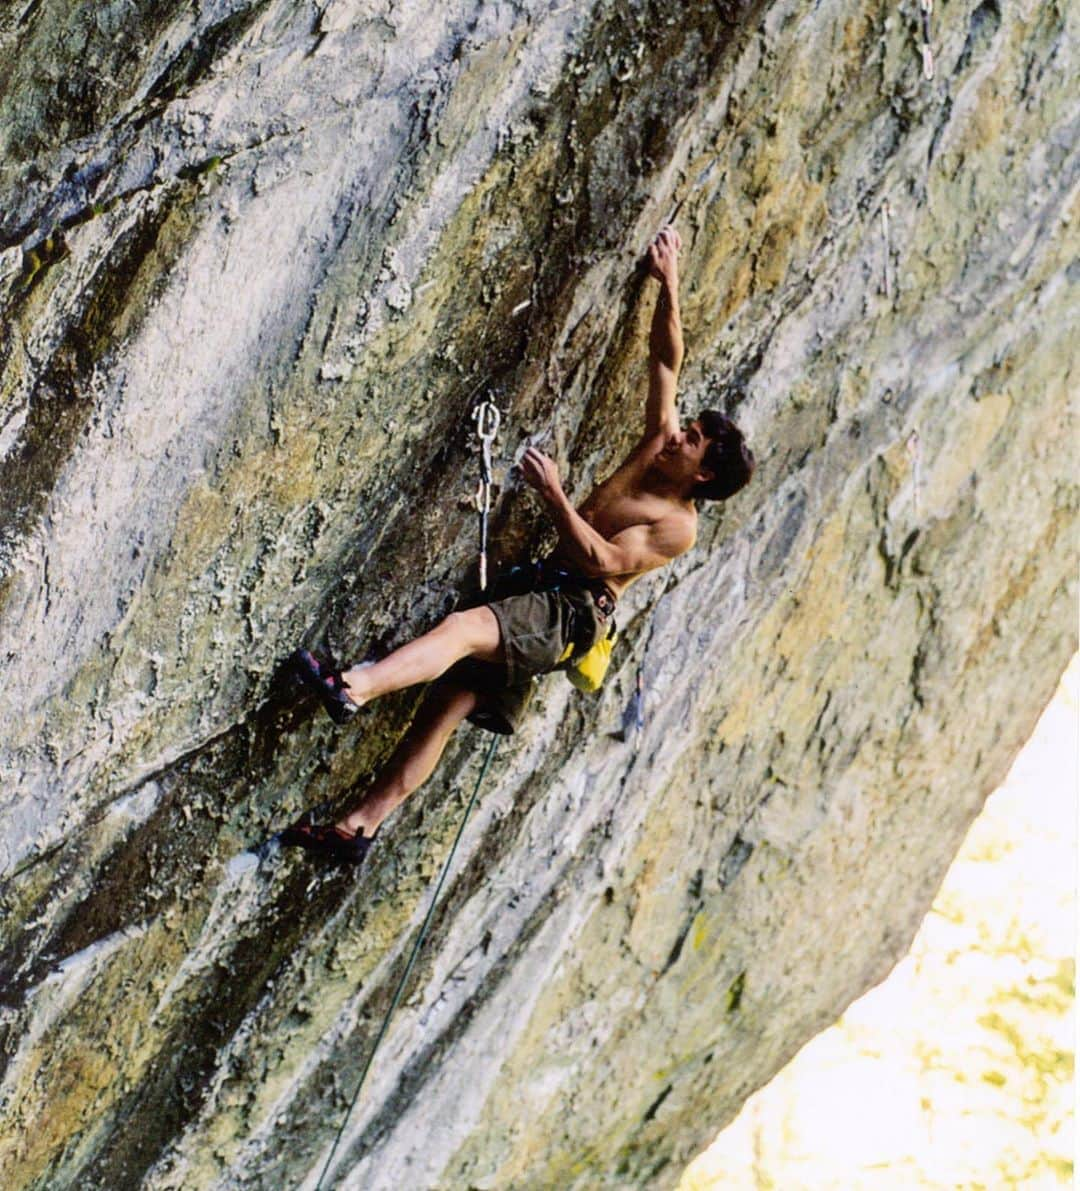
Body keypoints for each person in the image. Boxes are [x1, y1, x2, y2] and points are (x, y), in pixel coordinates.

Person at [280, 225, 754, 864]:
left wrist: (555, 495)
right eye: (688, 428)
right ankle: (358, 828)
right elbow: (667, 360)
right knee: (448, 703)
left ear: (702, 473)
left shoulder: (678, 525)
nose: (679, 434)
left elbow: (606, 561)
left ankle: (353, 687)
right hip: (546, 591)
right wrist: (670, 284)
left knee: (461, 629)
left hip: (571, 613)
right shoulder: (657, 446)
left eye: (691, 439)